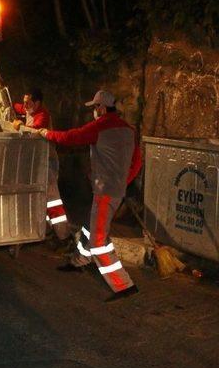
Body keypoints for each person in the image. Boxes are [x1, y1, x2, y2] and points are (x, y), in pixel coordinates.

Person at [39, 90, 142, 302]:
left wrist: (46, 134)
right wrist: (122, 182)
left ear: (102, 108)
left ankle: (124, 285)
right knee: (90, 226)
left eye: (95, 108)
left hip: (106, 192)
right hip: (113, 190)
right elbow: (137, 162)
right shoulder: (129, 130)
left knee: (97, 241)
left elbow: (71, 137)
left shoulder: (101, 126)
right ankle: (79, 261)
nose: (94, 112)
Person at [12, 88, 72, 247]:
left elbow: (34, 131)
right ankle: (45, 231)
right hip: (36, 162)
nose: (24, 106)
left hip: (46, 162)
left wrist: (20, 125)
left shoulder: (43, 115)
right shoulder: (29, 109)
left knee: (52, 200)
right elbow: (15, 106)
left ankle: (63, 236)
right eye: (24, 102)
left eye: (28, 102)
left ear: (37, 103)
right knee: (40, 198)